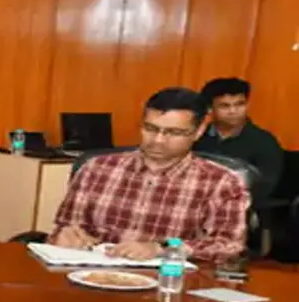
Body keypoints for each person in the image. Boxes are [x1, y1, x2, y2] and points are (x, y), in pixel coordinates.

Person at [50, 87, 250, 262]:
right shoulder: (96, 169)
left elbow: (228, 245)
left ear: (198, 131)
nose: (158, 140)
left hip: (170, 281)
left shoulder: (221, 182)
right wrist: (64, 236)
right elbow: (66, 227)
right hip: (93, 275)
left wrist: (162, 249)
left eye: (174, 132)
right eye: (151, 129)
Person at [195, 77, 283, 199]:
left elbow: (265, 186)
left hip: (237, 203)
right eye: (225, 106)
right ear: (209, 109)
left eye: (240, 104)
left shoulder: (264, 141)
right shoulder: (195, 136)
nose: (233, 111)